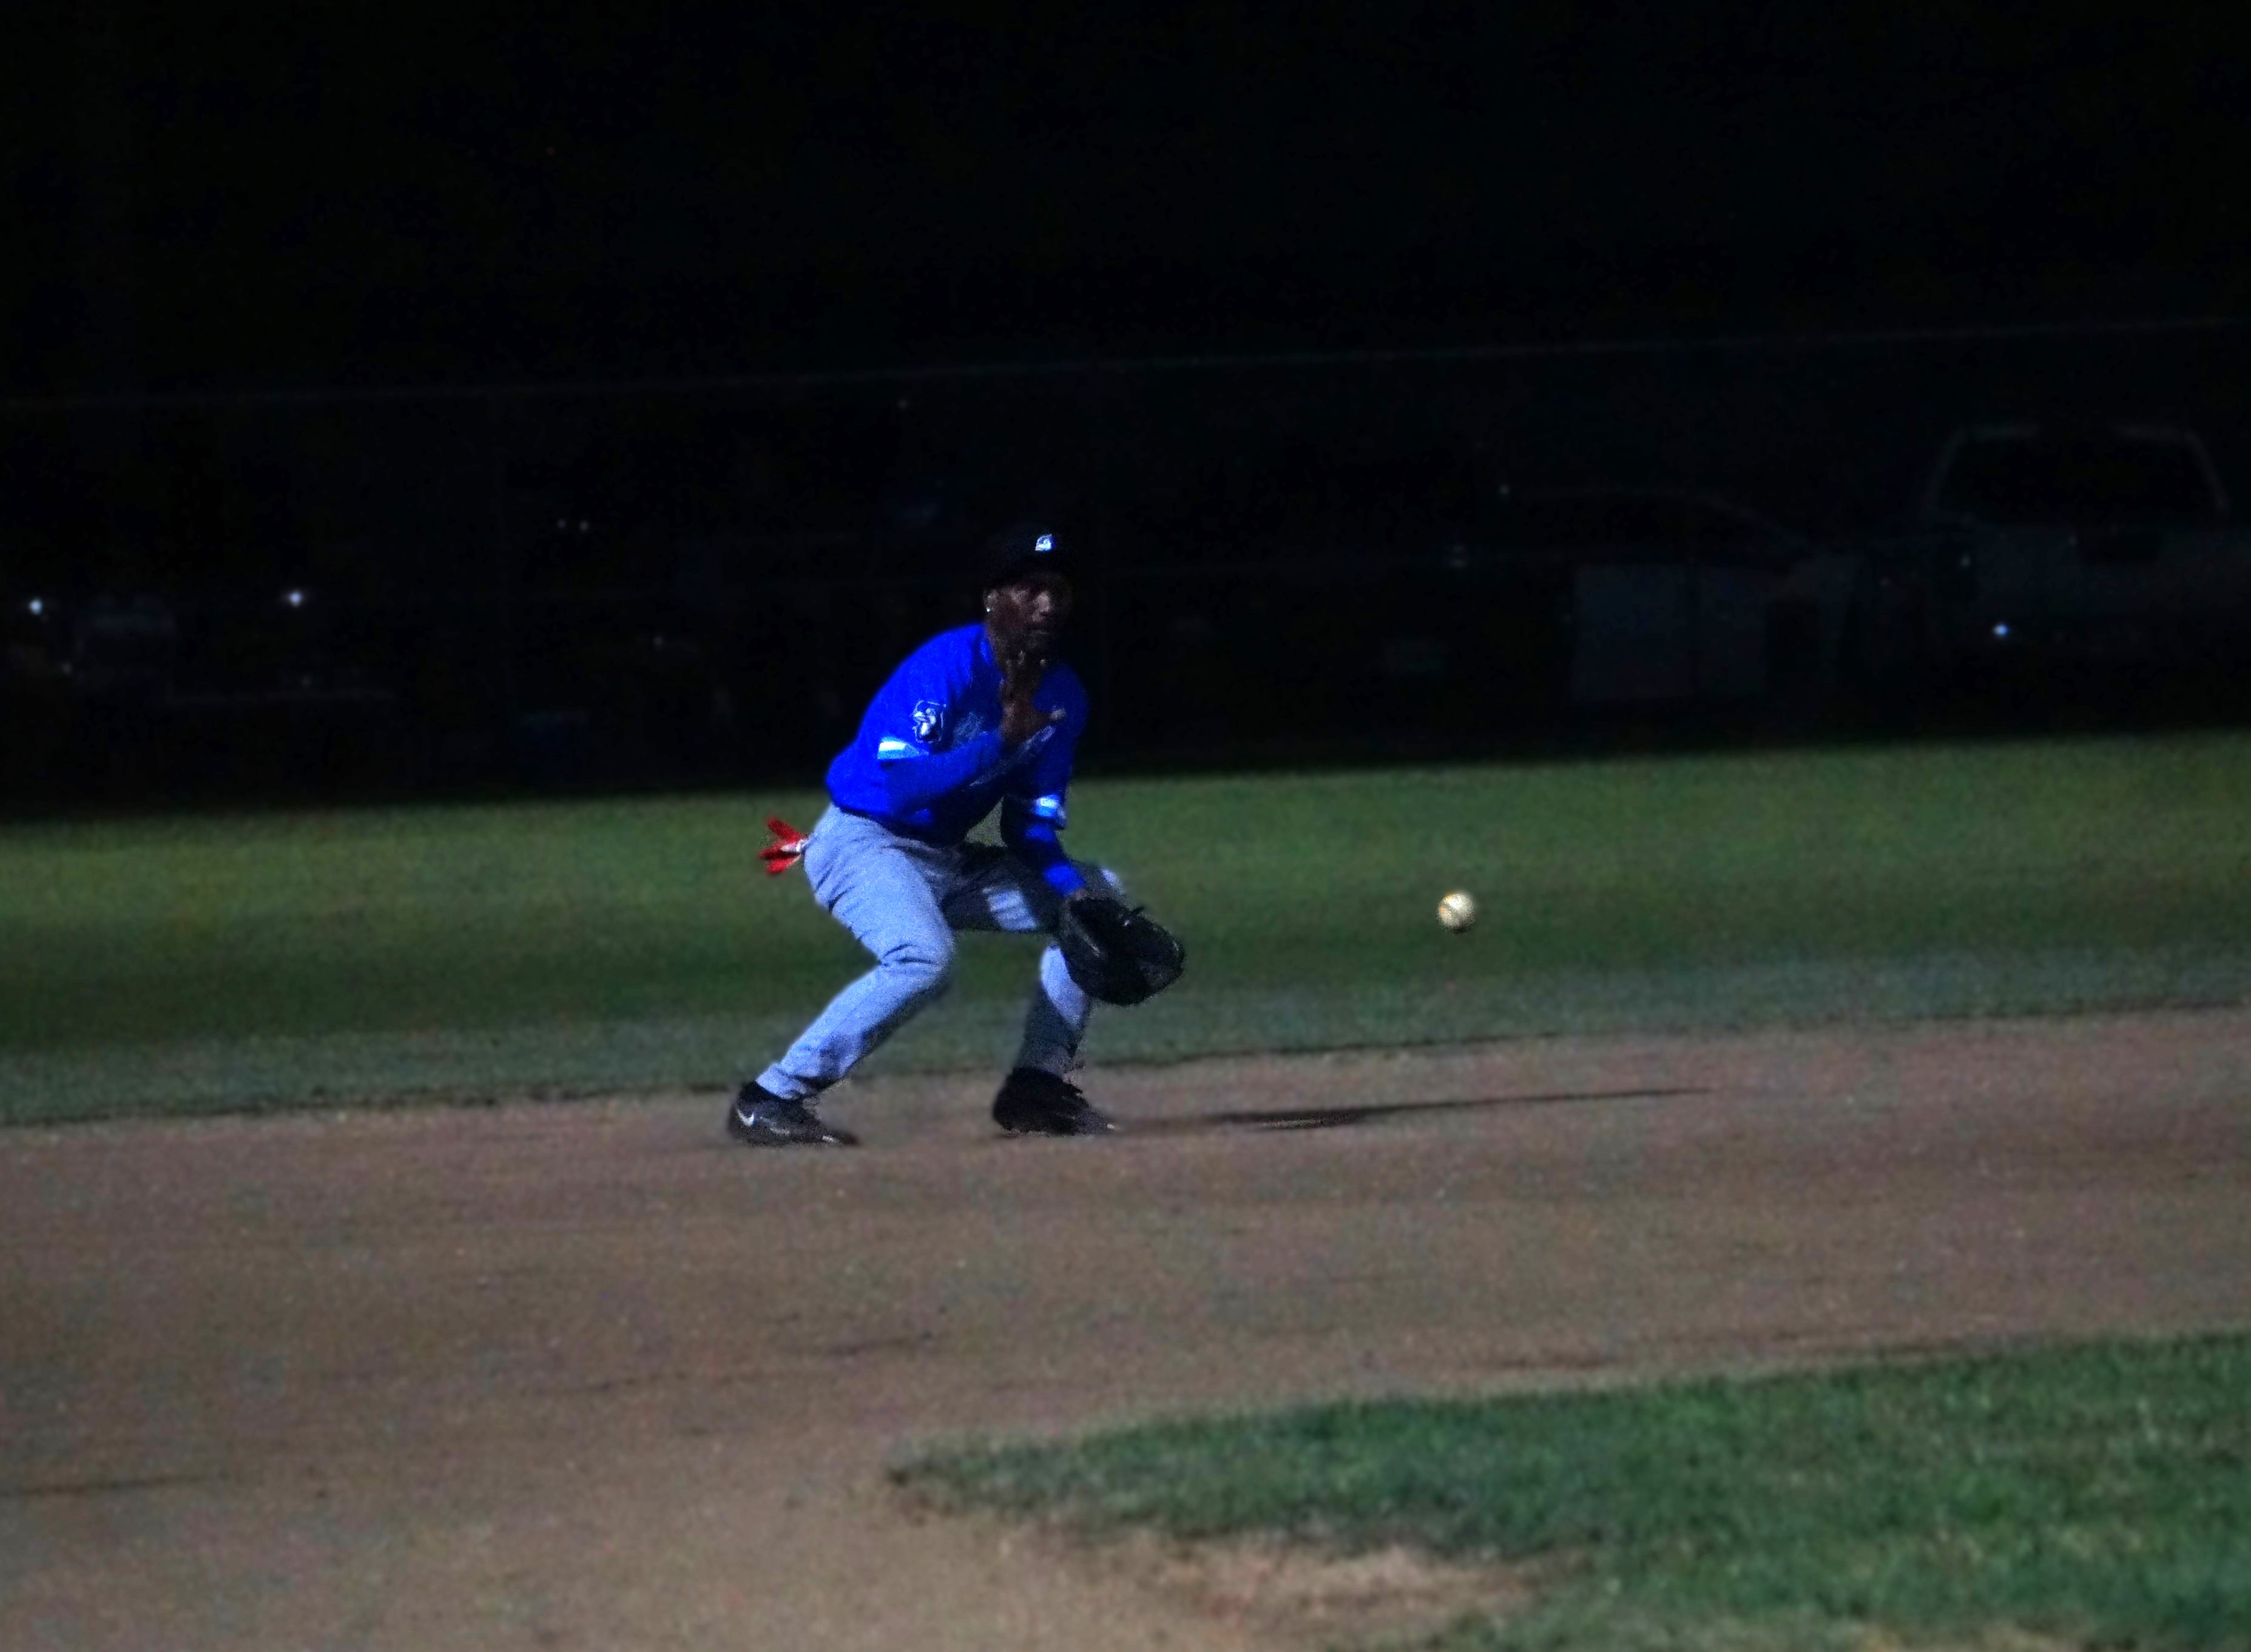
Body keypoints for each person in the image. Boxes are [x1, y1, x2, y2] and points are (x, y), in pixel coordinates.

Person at [731, 524, 1122, 1147]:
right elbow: (905, 787)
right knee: (923, 959)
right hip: (863, 844)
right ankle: (770, 1096)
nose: (1048, 602)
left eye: (1059, 589)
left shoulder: (1063, 695)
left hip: (948, 859)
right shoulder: (944, 666)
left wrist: (1073, 895)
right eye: (1030, 587)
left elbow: (1027, 823)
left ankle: (1036, 1087)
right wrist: (1001, 742)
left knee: (1099, 897)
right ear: (992, 598)